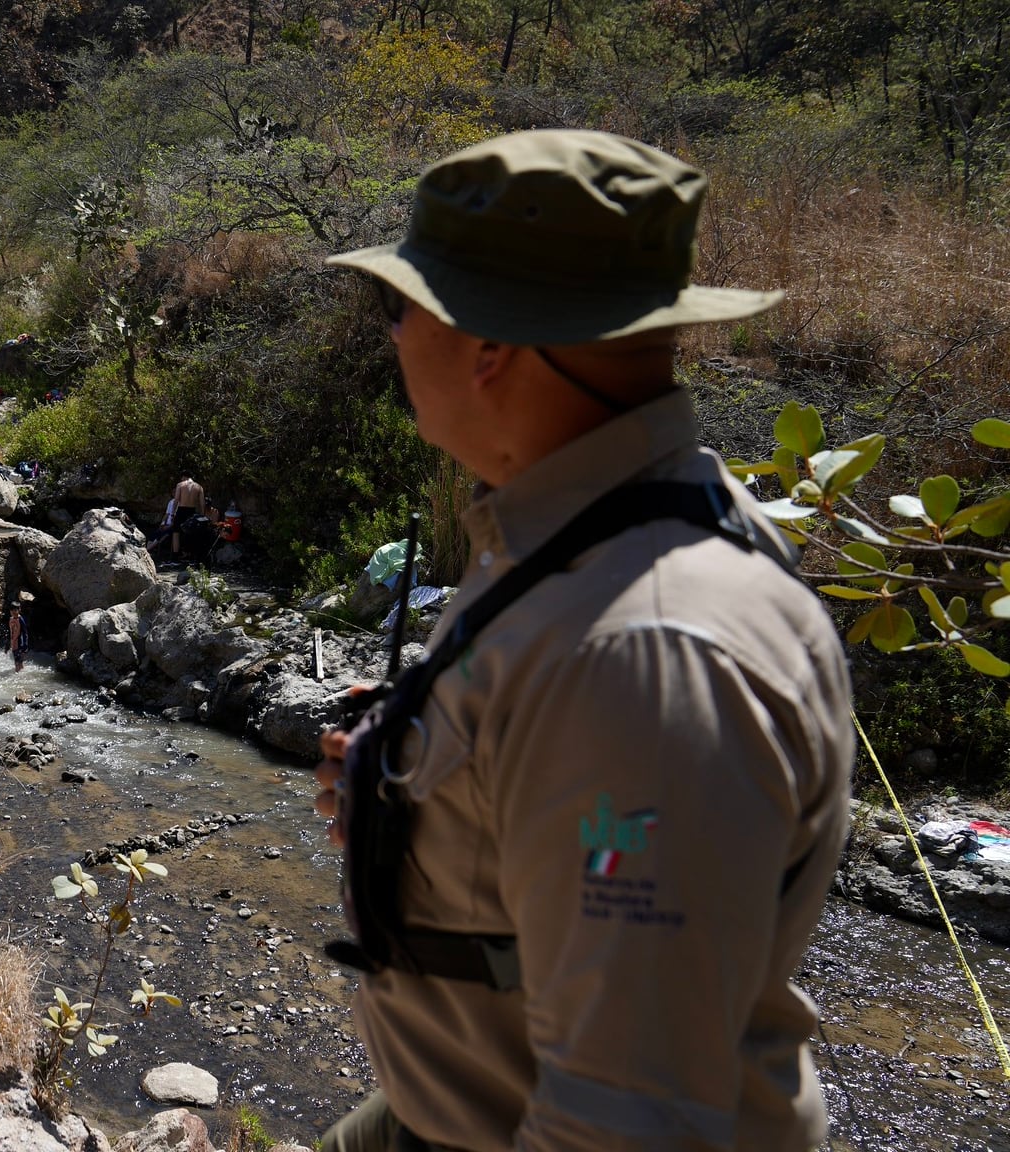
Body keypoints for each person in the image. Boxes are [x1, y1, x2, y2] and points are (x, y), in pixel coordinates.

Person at [310, 130, 851, 1152]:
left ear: (487, 344)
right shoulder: (595, 526)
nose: (392, 336)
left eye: (398, 307)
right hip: (453, 1101)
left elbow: (625, 1123)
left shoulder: (643, 659)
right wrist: (415, 793)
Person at [6, 599, 29, 672]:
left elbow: (25, 633)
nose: (13, 612)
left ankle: (18, 674)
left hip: (20, 644)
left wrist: (25, 646)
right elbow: (10, 632)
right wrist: (8, 644)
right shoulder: (11, 619)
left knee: (17, 662)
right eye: (11, 610)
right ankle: (21, 673)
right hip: (14, 644)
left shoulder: (20, 619)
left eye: (15, 610)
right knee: (18, 661)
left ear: (19, 610)